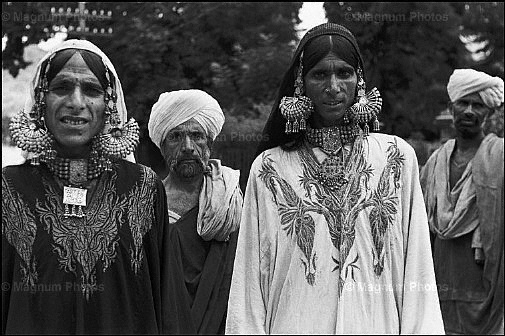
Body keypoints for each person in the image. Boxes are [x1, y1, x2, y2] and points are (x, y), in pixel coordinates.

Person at [225, 23, 445, 334]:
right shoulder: (270, 169)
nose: (333, 86)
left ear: (360, 81)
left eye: (344, 73)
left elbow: (417, 262)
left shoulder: (396, 158)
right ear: (300, 83)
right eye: (319, 75)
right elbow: (249, 280)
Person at [2, 40, 168, 334]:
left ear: (109, 106)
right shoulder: (9, 190)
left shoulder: (144, 189)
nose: (76, 103)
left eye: (91, 90)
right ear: (41, 100)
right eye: (62, 87)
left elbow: (164, 301)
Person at [148, 89, 243, 334]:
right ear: (162, 146)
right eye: (176, 136)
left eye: (197, 135)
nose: (188, 147)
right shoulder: (147, 203)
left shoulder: (229, 199)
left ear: (209, 142)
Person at [420, 69, 504, 334]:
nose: (469, 111)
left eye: (477, 105)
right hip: (440, 289)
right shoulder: (434, 163)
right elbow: (418, 225)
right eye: (463, 103)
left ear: (488, 113)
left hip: (487, 291)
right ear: (450, 107)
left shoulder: (500, 156)